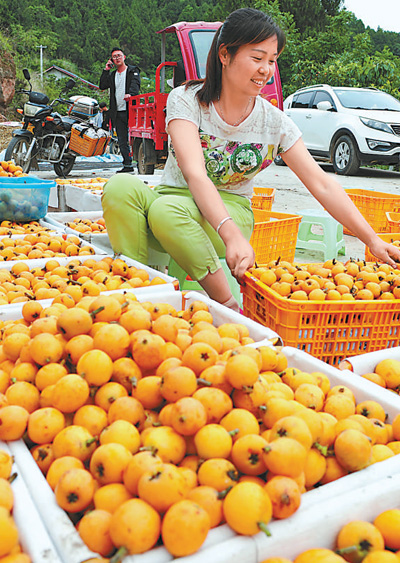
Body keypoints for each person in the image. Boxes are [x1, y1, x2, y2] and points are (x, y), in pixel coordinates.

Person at [102, 7, 400, 312]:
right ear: (225, 55)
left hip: (230, 209)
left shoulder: (274, 123)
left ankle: (229, 305)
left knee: (167, 212)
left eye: (272, 61)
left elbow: (322, 184)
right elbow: (194, 173)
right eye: (257, 58)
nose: (266, 70)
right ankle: (138, 291)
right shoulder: (187, 99)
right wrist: (230, 236)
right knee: (120, 186)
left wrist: (372, 240)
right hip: (175, 200)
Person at [99, 47, 140, 173]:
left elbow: (135, 84)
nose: (117, 58)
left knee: (136, 136)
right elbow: (102, 86)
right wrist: (106, 70)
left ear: (124, 57)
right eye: (114, 57)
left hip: (131, 110)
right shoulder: (112, 75)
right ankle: (127, 164)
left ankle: (140, 161)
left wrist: (131, 94)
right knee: (122, 139)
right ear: (112, 60)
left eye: (119, 55)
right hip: (117, 111)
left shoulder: (132, 70)